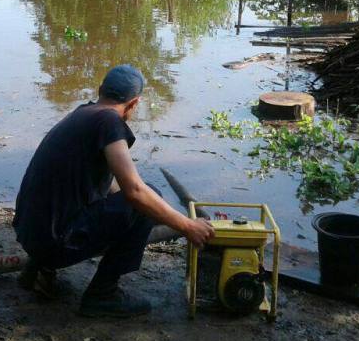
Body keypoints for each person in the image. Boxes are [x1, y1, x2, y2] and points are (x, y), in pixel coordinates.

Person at [12, 64, 215, 318]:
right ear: (133, 104)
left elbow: (111, 186)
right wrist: (187, 226)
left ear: (100, 91)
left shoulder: (83, 113)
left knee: (134, 201)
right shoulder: (109, 121)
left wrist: (163, 216)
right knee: (145, 198)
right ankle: (102, 294)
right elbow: (135, 192)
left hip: (30, 234)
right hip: (52, 243)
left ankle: (37, 270)